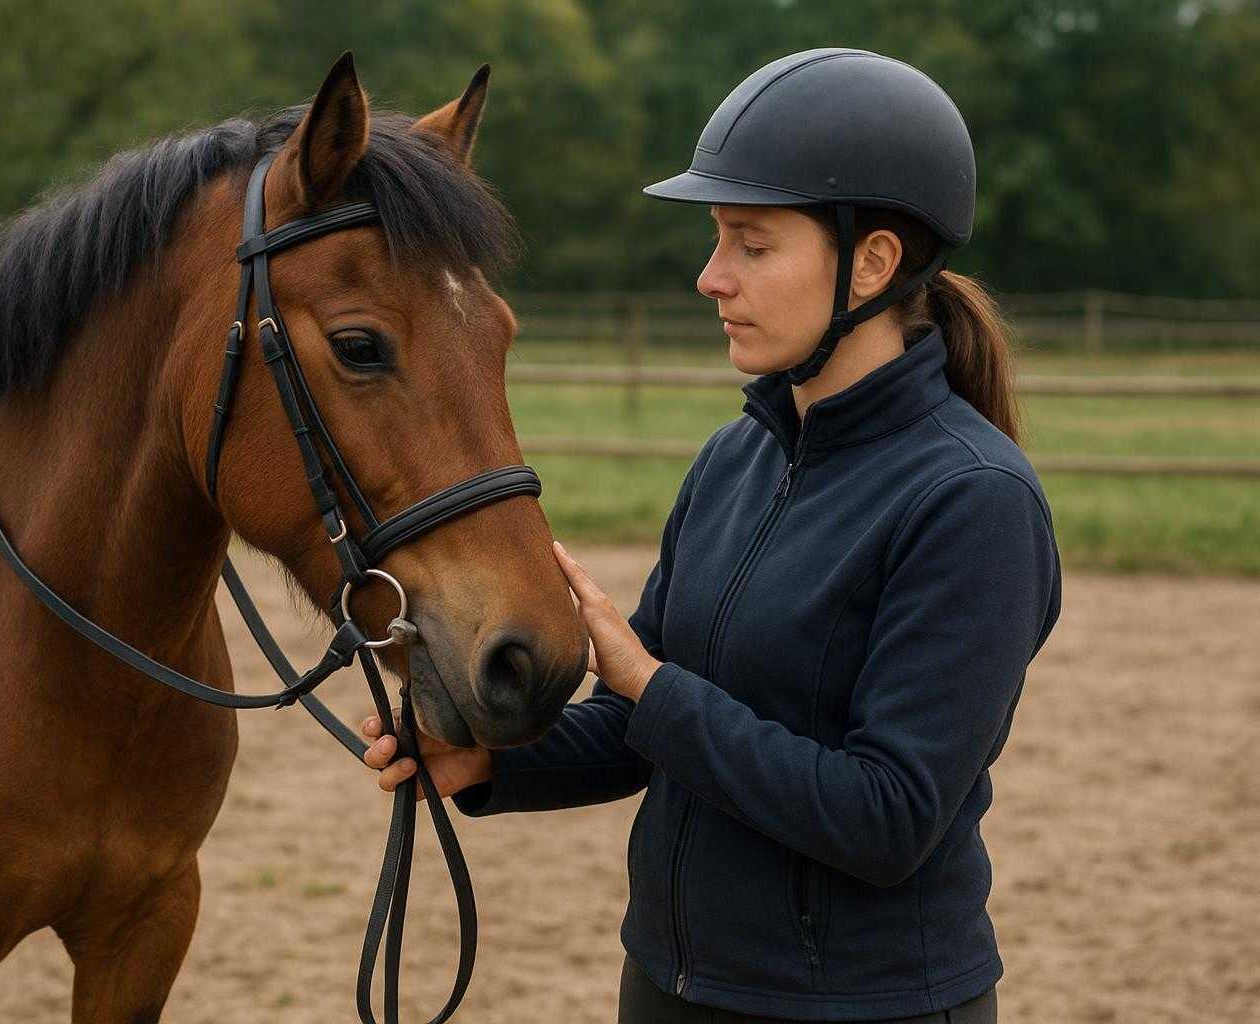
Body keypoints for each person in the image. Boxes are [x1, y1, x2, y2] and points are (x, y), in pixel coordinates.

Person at [363, 47, 1061, 1023]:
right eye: (716, 241)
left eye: (751, 244)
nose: (710, 277)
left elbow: (887, 816)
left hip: (863, 1006)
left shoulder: (974, 501)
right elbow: (650, 732)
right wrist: (494, 761)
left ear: (873, 260)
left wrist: (647, 682)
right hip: (667, 985)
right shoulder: (737, 458)